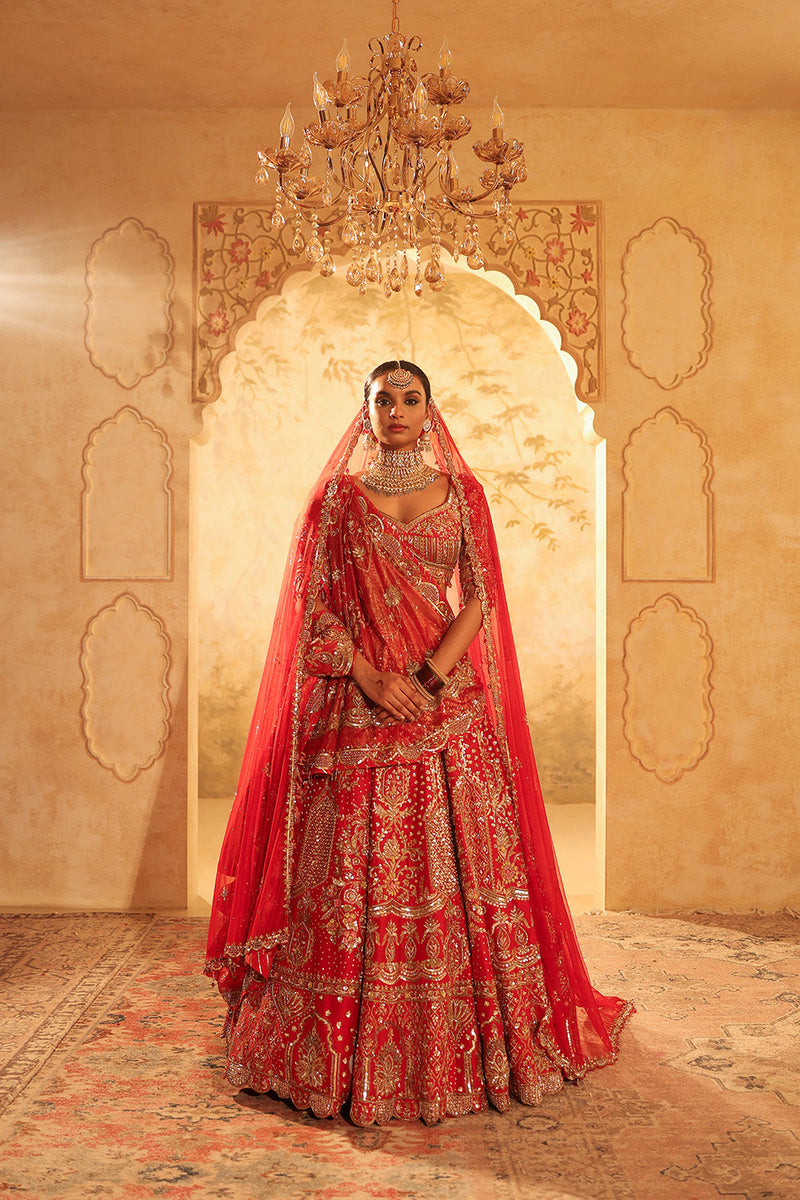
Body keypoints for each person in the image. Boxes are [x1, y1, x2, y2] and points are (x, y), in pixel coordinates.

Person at [205, 360, 632, 1126]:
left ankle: (470, 1043)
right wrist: (370, 677)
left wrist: (430, 678)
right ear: (364, 413)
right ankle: (330, 1051)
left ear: (431, 412)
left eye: (410, 398)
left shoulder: (463, 495)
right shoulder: (337, 502)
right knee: (343, 879)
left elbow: (480, 596)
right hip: (358, 704)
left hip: (445, 707)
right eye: (383, 399)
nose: (397, 409)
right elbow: (313, 613)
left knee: (465, 869)